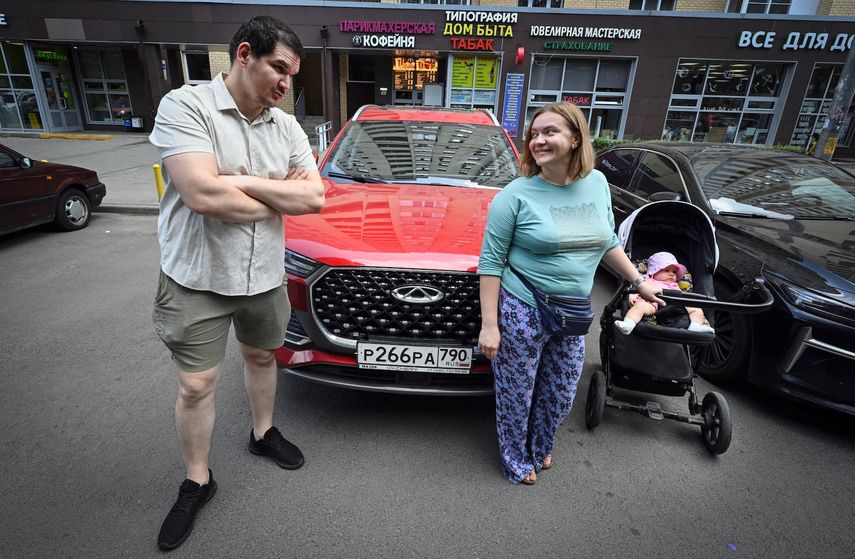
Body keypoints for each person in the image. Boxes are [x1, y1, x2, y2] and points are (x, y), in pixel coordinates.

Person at [149, 15, 324, 550]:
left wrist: (239, 182)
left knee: (262, 357)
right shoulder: (187, 106)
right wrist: (275, 192)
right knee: (196, 384)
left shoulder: (286, 126)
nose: (286, 84)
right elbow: (203, 197)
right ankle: (197, 480)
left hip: (263, 274)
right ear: (244, 54)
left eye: (292, 75)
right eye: (279, 69)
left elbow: (314, 199)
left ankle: (262, 433)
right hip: (197, 276)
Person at [477, 102, 664, 485]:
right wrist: (490, 325)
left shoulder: (595, 183)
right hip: (523, 309)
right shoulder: (514, 196)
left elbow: (607, 241)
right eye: (534, 134)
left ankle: (540, 442)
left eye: (550, 132)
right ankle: (516, 459)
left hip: (573, 311)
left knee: (561, 393)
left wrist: (638, 281)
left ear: (575, 138)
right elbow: (491, 263)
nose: (538, 140)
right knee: (517, 393)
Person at [613, 251, 714, 335]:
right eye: (666, 270)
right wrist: (632, 296)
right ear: (653, 271)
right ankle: (628, 323)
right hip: (652, 305)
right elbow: (635, 287)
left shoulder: (676, 285)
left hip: (675, 308)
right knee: (640, 307)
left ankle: (695, 326)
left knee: (697, 310)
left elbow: (683, 298)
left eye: (674, 272)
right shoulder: (645, 279)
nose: (671, 274)